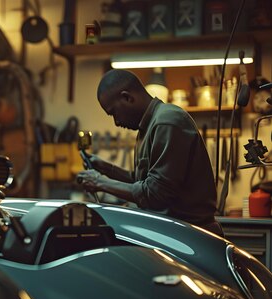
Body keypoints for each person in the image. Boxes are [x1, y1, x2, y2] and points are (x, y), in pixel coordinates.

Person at [76, 69, 223, 236]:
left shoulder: (167, 121)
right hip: (173, 231)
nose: (116, 122)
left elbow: (155, 194)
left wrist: (99, 183)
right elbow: (143, 181)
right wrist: (107, 169)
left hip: (190, 235)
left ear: (127, 98)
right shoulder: (148, 127)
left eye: (114, 113)